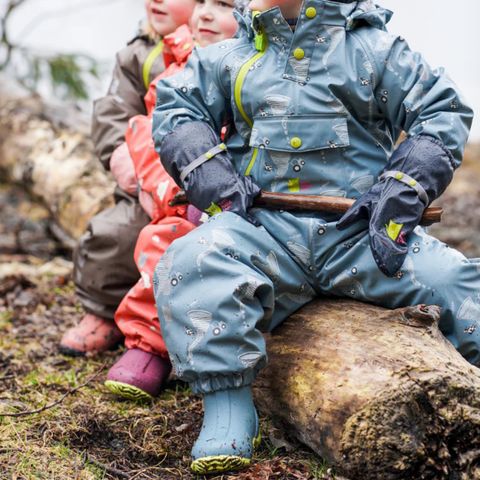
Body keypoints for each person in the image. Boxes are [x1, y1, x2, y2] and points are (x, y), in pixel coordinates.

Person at [151, 0, 477, 474]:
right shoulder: (229, 57)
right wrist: (211, 174)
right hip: (260, 233)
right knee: (190, 263)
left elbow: (442, 109)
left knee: (452, 280)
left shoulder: (374, 50)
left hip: (366, 236)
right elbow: (178, 108)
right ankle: (226, 401)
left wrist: (402, 187)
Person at [103, 0, 242, 401]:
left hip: (244, 201)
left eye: (226, 5)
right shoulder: (178, 69)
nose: (206, 14)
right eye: (202, 2)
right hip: (185, 197)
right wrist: (170, 189)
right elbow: (152, 134)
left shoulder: (265, 72)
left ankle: (220, 353)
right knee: (163, 244)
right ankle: (148, 348)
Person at [59, 0, 196, 356]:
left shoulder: (219, 46)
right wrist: (132, 168)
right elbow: (113, 113)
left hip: (202, 187)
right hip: (149, 185)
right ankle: (102, 312)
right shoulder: (140, 55)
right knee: (114, 235)